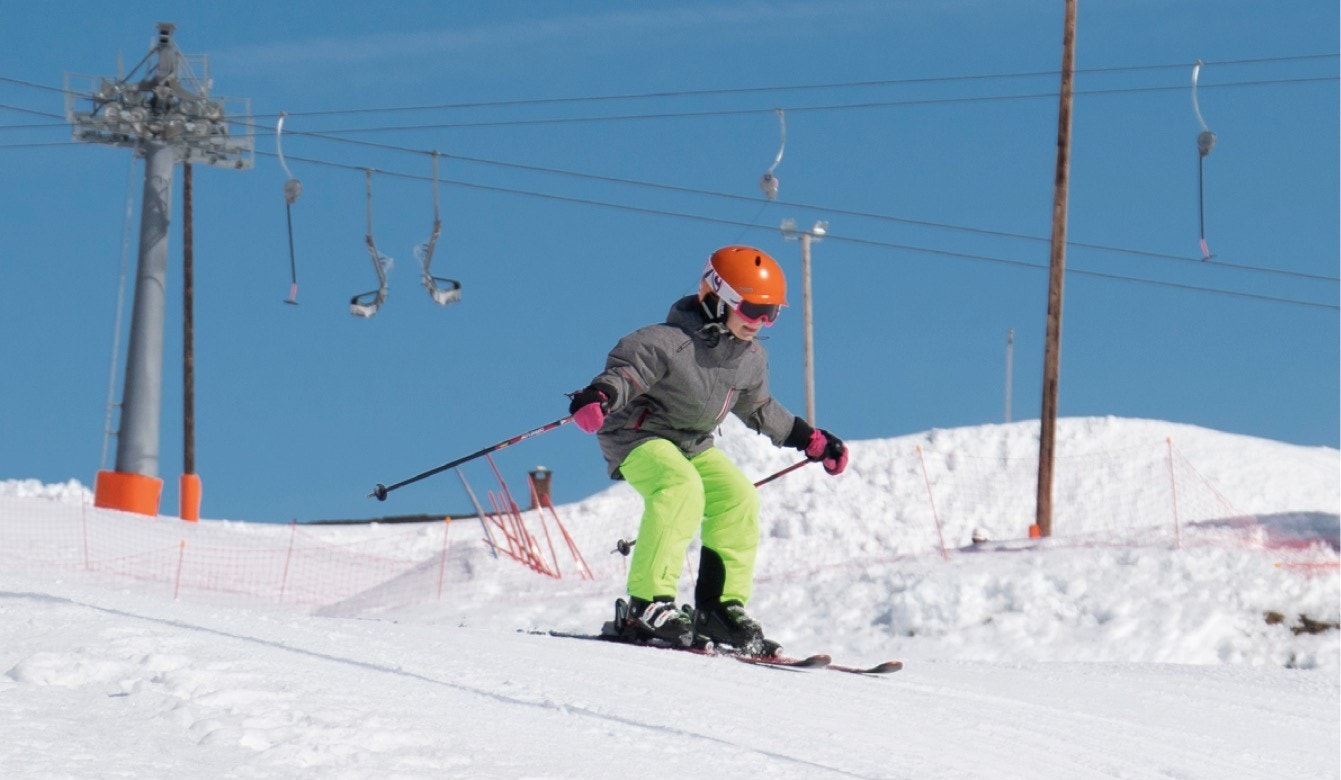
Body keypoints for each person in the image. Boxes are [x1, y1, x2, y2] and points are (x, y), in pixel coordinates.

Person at [567, 245, 849, 655]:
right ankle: (646, 604)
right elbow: (627, 373)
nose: (761, 321)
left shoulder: (750, 359)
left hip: (691, 443)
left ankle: (718, 609)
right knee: (680, 488)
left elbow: (759, 408)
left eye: (771, 313)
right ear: (718, 299)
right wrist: (600, 396)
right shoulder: (665, 342)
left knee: (738, 498)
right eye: (753, 309)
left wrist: (810, 439)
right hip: (636, 435)